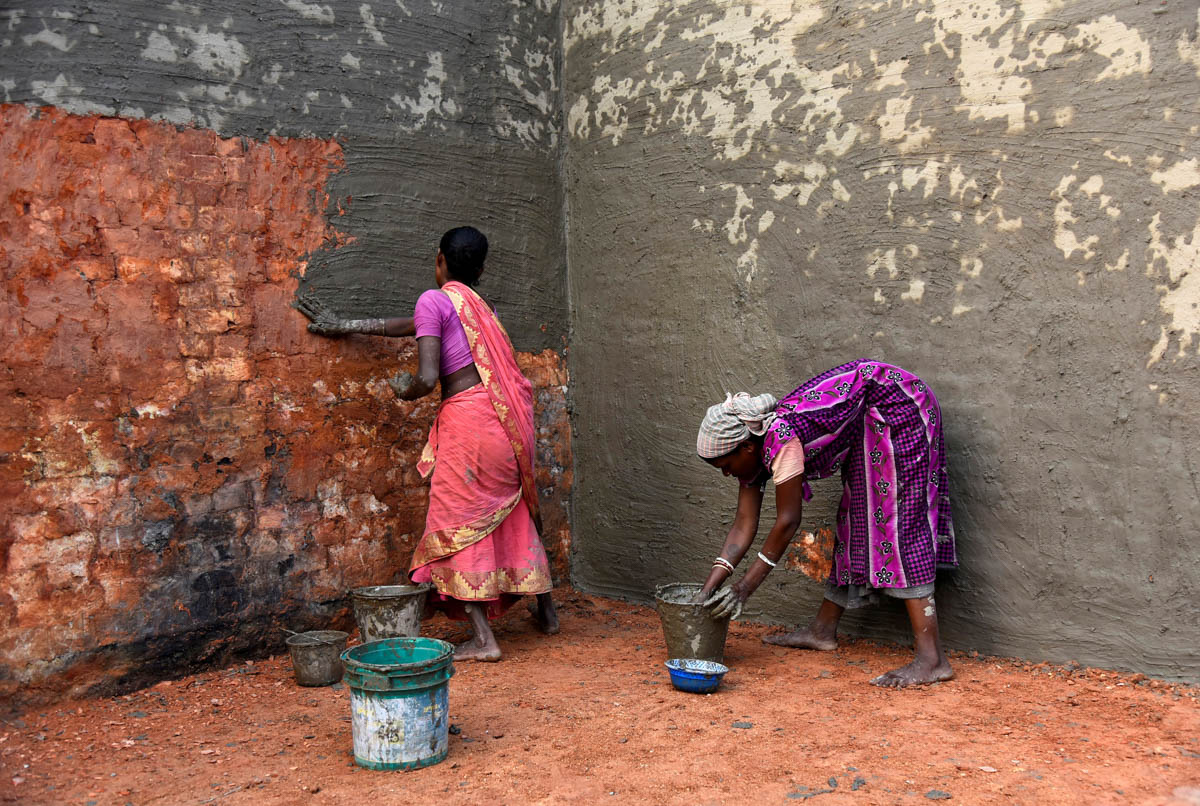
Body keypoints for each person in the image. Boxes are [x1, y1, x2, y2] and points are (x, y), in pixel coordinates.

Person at [295, 226, 558, 661]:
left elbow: (427, 376)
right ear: (482, 269)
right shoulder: (482, 310)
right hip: (505, 423)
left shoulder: (433, 299)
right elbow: (419, 324)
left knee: (455, 520)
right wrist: (349, 325)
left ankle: (484, 641)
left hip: (468, 425)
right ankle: (547, 613)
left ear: (439, 260)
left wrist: (406, 389)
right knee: (511, 508)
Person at [694, 359, 957, 687]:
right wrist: (706, 591)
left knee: (897, 523)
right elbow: (743, 525)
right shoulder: (753, 448)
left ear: (747, 447)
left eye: (726, 465)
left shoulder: (780, 439)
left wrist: (743, 590)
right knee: (855, 520)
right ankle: (823, 629)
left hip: (899, 409)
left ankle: (932, 659)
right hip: (866, 420)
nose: (726, 473)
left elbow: (788, 522)